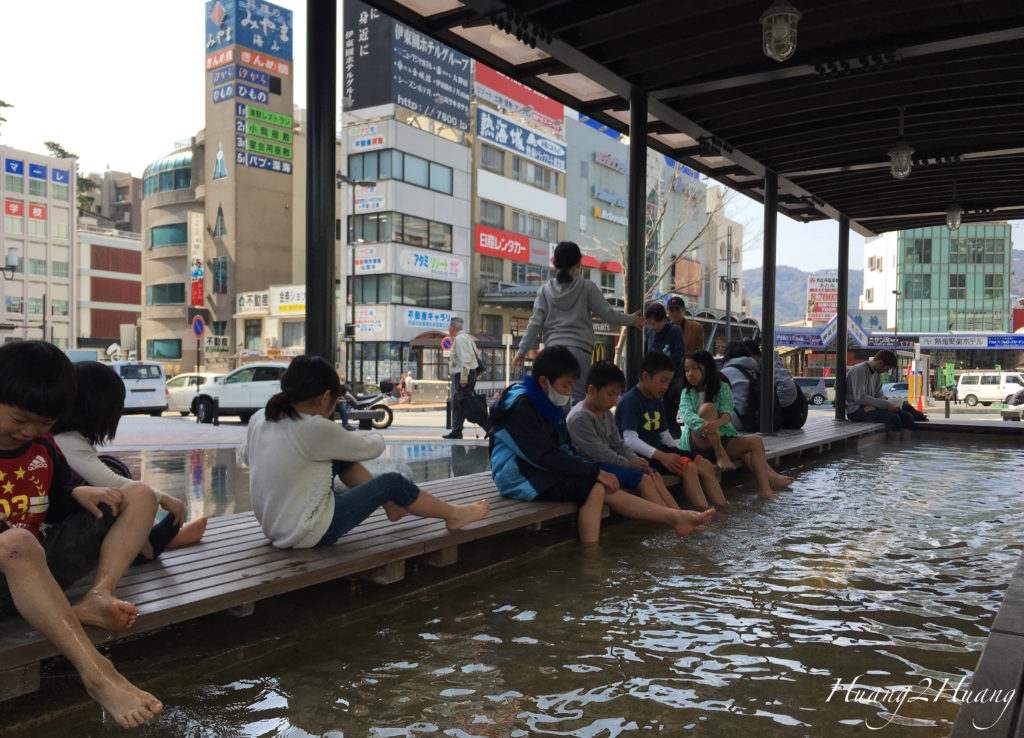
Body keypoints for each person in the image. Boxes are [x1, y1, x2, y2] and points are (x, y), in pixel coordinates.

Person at [0, 341, 163, 728]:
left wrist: (76, 492)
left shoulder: (42, 448)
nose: (31, 432)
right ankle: (96, 673)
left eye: (44, 424)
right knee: (18, 542)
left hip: (35, 579)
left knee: (138, 494)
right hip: (11, 567)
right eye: (20, 419)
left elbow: (51, 502)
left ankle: (99, 595)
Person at [240, 355, 489, 549]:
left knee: (337, 456)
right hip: (310, 531)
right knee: (393, 482)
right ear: (326, 396)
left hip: (273, 526)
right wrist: (370, 433)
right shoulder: (314, 429)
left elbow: (245, 456)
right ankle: (455, 514)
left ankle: (392, 506)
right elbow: (372, 447)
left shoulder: (260, 418)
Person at [490, 346, 714, 544]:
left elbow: (563, 449)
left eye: (570, 386)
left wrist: (596, 472)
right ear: (543, 382)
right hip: (517, 475)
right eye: (565, 385)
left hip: (539, 468)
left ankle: (675, 518)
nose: (569, 392)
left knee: (599, 485)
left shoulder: (546, 403)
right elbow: (544, 455)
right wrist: (595, 472)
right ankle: (593, 559)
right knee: (595, 486)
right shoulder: (521, 408)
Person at [52, 362, 207, 564]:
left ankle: (147, 533)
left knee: (112, 469)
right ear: (98, 406)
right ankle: (144, 547)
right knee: (115, 475)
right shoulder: (65, 440)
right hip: (60, 531)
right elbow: (109, 480)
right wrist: (165, 499)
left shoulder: (65, 437)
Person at [513, 241, 643, 405]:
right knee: (578, 401)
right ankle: (572, 431)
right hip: (579, 350)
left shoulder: (544, 291)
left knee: (552, 400)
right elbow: (608, 314)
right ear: (579, 264)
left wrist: (521, 351)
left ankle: (556, 430)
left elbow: (535, 324)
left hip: (552, 353)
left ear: (554, 264)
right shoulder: (586, 287)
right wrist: (632, 319)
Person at [566, 361, 686, 511]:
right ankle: (669, 520)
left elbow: (618, 443)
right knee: (644, 479)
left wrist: (636, 460)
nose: (614, 400)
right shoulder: (580, 417)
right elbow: (598, 452)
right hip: (592, 467)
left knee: (654, 475)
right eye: (610, 394)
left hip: (609, 462)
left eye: (617, 395)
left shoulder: (606, 412)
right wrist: (626, 463)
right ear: (591, 390)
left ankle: (679, 514)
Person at [615, 351, 727, 509]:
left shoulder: (656, 400)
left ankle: (722, 508)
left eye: (668, 382)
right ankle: (702, 512)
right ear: (646, 376)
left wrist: (675, 452)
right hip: (641, 455)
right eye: (663, 381)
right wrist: (662, 456)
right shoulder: (630, 401)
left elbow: (663, 433)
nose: (666, 387)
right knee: (688, 466)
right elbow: (630, 439)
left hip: (660, 451)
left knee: (705, 464)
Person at [679, 350, 796, 499]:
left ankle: (765, 490)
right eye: (687, 370)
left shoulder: (722, 387)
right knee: (708, 408)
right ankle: (720, 453)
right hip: (697, 444)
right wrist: (706, 425)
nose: (690, 374)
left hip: (721, 439)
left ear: (707, 367)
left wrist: (716, 424)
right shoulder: (686, 393)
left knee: (756, 442)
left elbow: (727, 413)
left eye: (695, 368)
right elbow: (688, 417)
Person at [845, 349, 915, 440]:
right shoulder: (859, 370)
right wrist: (886, 405)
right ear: (880, 362)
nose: (886, 371)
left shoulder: (877, 373)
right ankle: (893, 449)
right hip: (856, 410)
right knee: (894, 419)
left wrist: (876, 407)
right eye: (887, 368)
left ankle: (904, 448)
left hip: (871, 408)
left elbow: (879, 395)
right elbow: (860, 397)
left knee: (908, 417)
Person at [739, 339, 807, 430]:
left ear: (751, 354)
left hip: (789, 417)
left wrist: (774, 407)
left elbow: (786, 387)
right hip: (790, 416)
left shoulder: (768, 364)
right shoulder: (766, 364)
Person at [443, 317, 490, 440]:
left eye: (449, 326)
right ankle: (457, 430)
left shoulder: (459, 339)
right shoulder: (468, 338)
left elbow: (465, 359)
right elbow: (476, 356)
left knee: (469, 404)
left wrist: (464, 377)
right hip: (468, 373)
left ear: (452, 327)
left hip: (462, 374)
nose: (448, 329)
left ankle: (490, 427)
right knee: (459, 403)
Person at [665, 296, 704, 436]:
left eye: (677, 309)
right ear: (667, 312)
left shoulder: (696, 328)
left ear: (684, 310)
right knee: (669, 405)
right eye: (671, 310)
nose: (674, 313)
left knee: (689, 402)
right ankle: (672, 431)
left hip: (688, 372)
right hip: (669, 373)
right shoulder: (664, 328)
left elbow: (700, 351)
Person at [644, 302, 686, 369]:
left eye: (654, 324)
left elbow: (680, 352)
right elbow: (646, 352)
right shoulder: (650, 332)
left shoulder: (675, 330)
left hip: (671, 373)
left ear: (663, 319)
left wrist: (662, 362)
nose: (652, 327)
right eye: (649, 324)